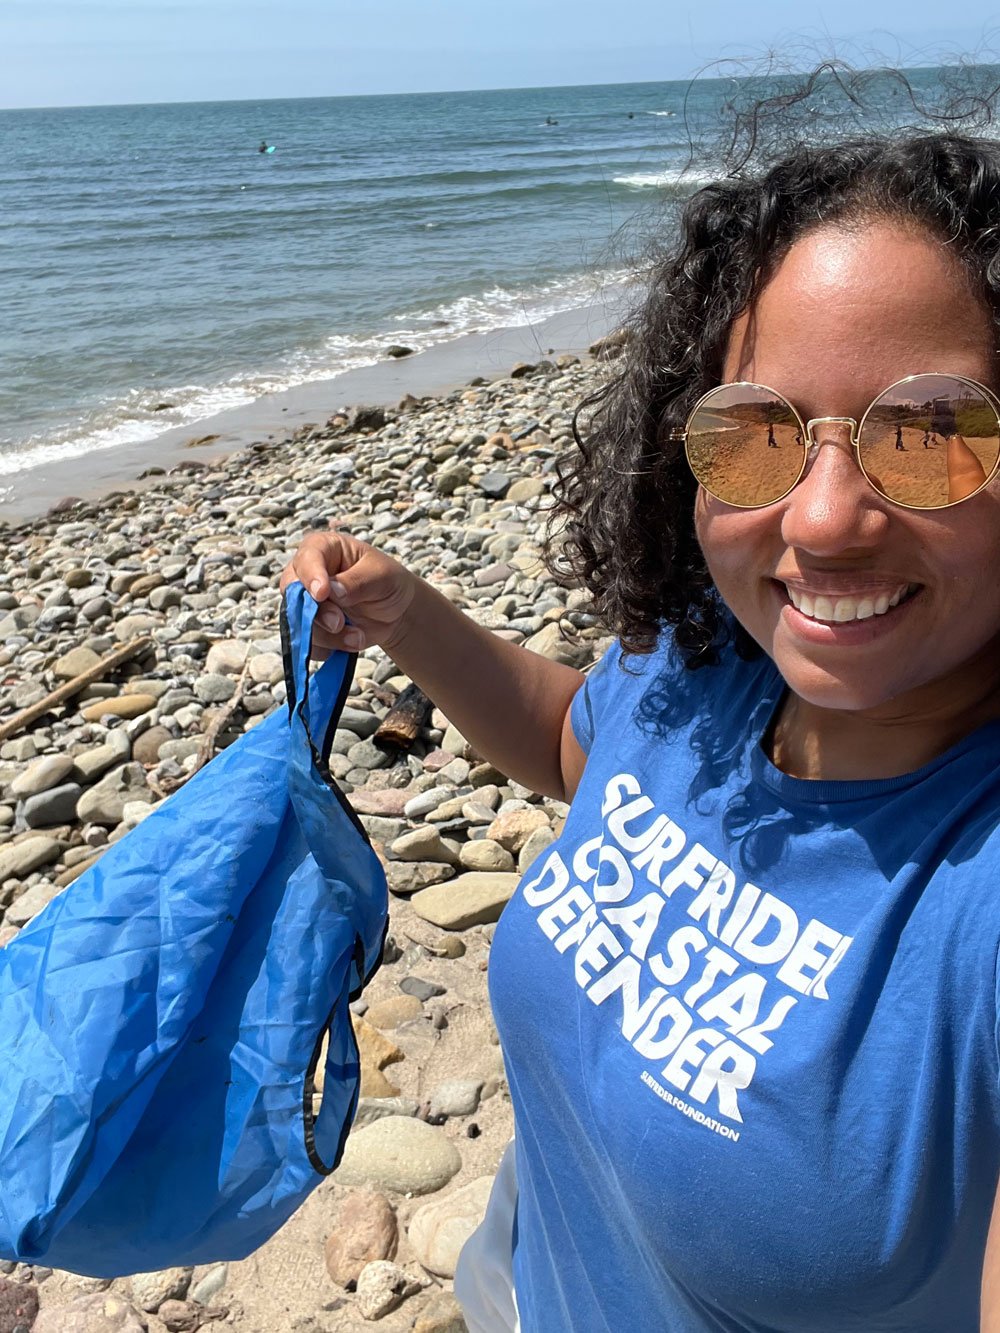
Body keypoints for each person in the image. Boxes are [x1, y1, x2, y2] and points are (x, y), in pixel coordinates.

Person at [282, 125, 1000, 1331]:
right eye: (757, 431)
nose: (822, 522)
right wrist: (412, 619)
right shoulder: (716, 665)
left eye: (930, 434)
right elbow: (579, 741)